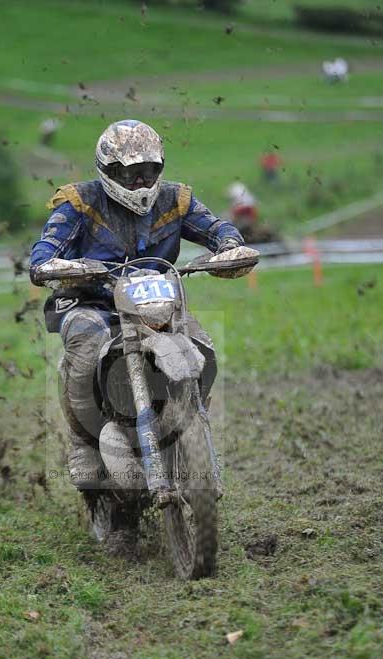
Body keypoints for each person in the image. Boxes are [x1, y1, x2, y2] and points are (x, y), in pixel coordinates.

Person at [29, 119, 244, 490]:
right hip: (89, 300)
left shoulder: (176, 200)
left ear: (160, 167)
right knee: (87, 343)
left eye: (149, 171)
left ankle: (189, 417)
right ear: (109, 171)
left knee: (201, 345)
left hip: (153, 301)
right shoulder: (78, 202)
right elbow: (45, 249)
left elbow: (217, 227)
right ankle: (84, 440)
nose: (141, 182)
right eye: (130, 174)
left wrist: (229, 246)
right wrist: (54, 265)